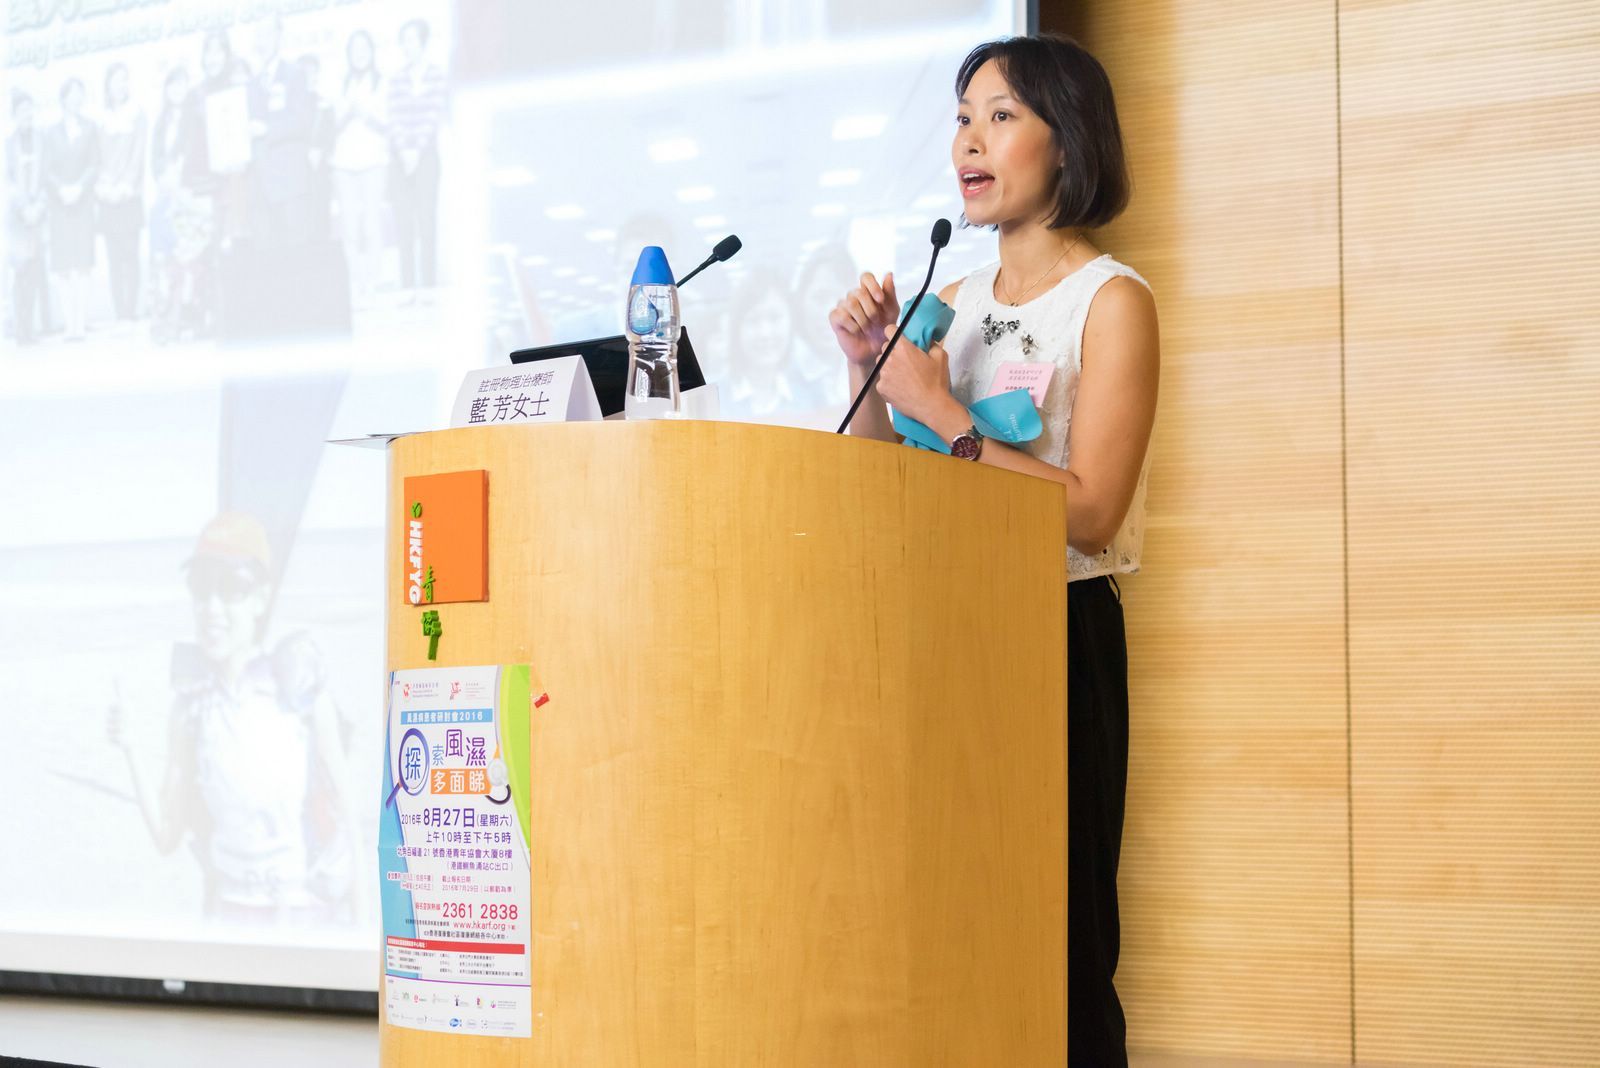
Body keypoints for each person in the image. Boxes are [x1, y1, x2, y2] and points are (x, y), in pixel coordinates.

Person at [830, 34, 1158, 1066]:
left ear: (1068, 141)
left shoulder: (1111, 301)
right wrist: (868, 371)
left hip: (1056, 634)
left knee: (1057, 939)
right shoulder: (958, 302)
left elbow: (1091, 510)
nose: (968, 142)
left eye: (1001, 116)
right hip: (945, 631)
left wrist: (946, 414)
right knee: (948, 922)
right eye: (962, 119)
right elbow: (883, 471)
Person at [107, 513, 366, 926]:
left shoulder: (300, 690)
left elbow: (350, 821)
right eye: (201, 588)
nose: (212, 608)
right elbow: (166, 837)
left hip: (306, 917)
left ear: (260, 599)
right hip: (228, 920)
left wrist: (362, 931)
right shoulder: (191, 711)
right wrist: (131, 748)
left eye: (230, 589)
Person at [387, 18, 446, 299]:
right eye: (404, 40)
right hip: (400, 160)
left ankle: (429, 284)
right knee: (404, 224)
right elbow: (394, 117)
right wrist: (403, 150)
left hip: (426, 157)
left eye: (411, 39)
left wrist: (417, 150)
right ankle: (407, 285)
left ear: (423, 41)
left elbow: (433, 114)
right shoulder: (397, 78)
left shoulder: (436, 75)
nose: (407, 45)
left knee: (426, 220)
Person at [331, 30, 388, 308]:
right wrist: (348, 112)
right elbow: (332, 125)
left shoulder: (382, 82)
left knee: (371, 224)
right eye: (354, 49)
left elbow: (387, 125)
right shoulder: (341, 83)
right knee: (349, 227)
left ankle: (373, 281)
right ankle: (355, 282)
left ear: (372, 51)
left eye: (364, 48)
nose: (359, 54)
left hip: (373, 161)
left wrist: (366, 114)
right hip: (343, 162)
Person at [45, 77, 98, 341]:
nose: (76, 98)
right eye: (72, 93)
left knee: (84, 263)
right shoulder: (51, 132)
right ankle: (69, 326)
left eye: (80, 93)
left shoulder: (90, 128)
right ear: (63, 98)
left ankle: (81, 323)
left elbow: (94, 163)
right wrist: (61, 190)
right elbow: (47, 169)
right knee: (64, 266)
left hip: (83, 202)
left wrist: (79, 187)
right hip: (60, 206)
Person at [97, 62, 147, 323]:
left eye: (125, 79)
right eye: (117, 79)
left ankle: (131, 310)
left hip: (129, 196)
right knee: (114, 259)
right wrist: (106, 187)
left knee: (131, 255)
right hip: (108, 198)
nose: (121, 85)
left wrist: (125, 185)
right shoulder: (101, 119)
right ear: (107, 85)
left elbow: (138, 155)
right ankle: (119, 314)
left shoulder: (138, 114)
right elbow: (97, 158)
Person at [6, 89, 49, 344]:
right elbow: (8, 181)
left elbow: (45, 176)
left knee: (34, 272)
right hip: (17, 217)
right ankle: (20, 328)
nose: (27, 114)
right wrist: (23, 208)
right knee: (19, 272)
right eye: (22, 110)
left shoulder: (41, 141)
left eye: (30, 109)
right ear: (14, 114)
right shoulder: (7, 144)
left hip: (38, 215)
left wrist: (38, 206)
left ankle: (31, 327)